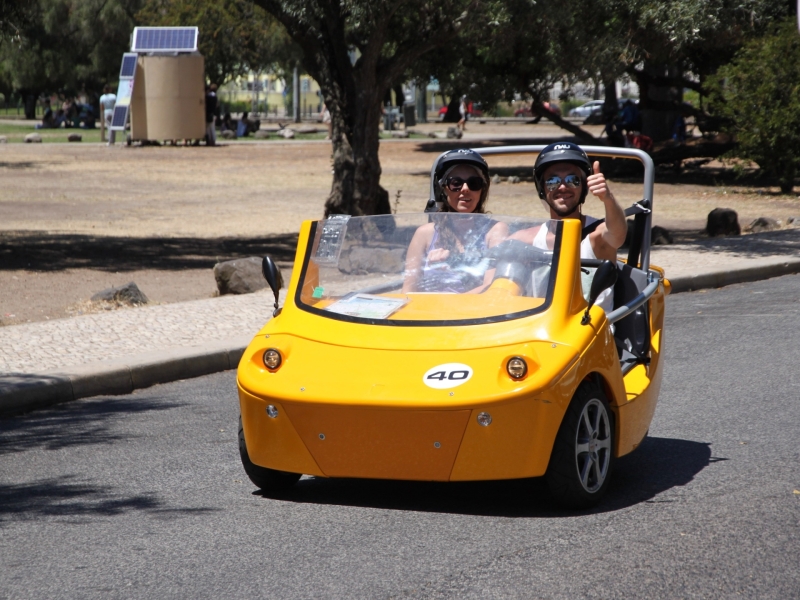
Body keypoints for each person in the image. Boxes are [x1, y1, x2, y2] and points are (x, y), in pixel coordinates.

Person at [509, 142, 627, 311]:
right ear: (542, 188)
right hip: (542, 331)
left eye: (572, 180)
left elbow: (617, 234)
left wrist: (608, 198)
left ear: (584, 186)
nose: (563, 187)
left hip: (590, 332)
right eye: (552, 181)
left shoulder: (596, 236)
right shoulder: (526, 239)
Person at [403, 149, 507, 293]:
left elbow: (492, 286)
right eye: (456, 183)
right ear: (443, 189)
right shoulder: (424, 234)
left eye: (474, 183)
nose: (465, 189)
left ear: (482, 190)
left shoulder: (495, 231)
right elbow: (408, 289)